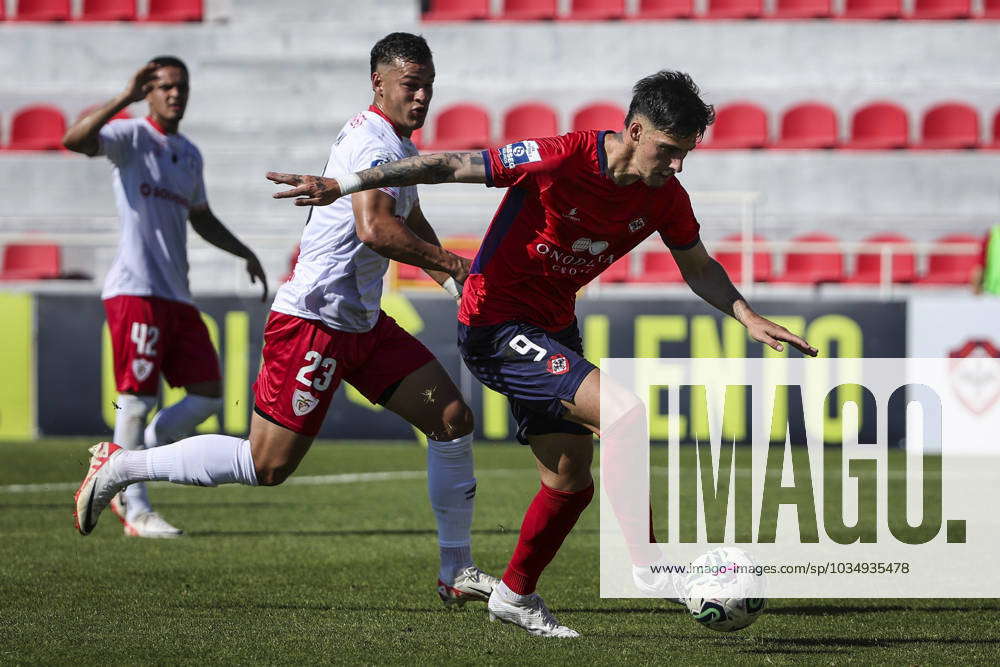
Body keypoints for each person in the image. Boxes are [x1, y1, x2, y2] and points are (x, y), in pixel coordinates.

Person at [263, 70, 819, 637]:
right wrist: (348, 183)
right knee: (624, 416)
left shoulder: (665, 198)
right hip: (494, 323)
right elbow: (448, 165)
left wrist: (747, 316)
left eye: (686, 153)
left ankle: (515, 594)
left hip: (553, 328)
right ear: (634, 129)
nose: (677, 165)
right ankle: (654, 567)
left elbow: (697, 266)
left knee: (570, 481)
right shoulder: (561, 156)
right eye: (670, 150)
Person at [72, 34, 499, 607]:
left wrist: (449, 282)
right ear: (379, 83)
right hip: (314, 321)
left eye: (428, 85)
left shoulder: (397, 142)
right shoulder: (372, 143)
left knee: (451, 417)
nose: (422, 97)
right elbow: (376, 229)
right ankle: (124, 465)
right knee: (265, 464)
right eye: (410, 85)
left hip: (362, 323)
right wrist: (455, 265)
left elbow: (410, 214)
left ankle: (456, 570)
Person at [63, 56, 268, 538]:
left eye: (182, 86)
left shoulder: (191, 153)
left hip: (177, 294)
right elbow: (73, 140)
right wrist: (124, 97)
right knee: (135, 400)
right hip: (136, 289)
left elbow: (201, 215)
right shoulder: (131, 136)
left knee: (207, 394)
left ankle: (141, 450)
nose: (176, 94)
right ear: (149, 92)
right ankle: (133, 509)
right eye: (165, 87)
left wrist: (244, 251)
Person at [972, 224, 1000, 295]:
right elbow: (981, 262)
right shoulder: (992, 234)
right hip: (993, 292)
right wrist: (977, 282)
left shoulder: (993, 234)